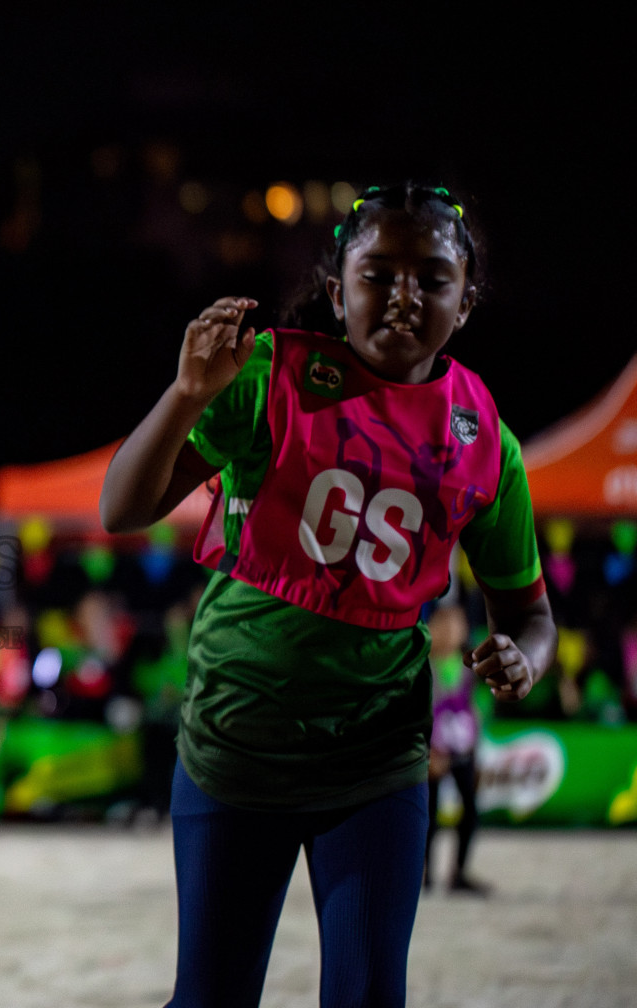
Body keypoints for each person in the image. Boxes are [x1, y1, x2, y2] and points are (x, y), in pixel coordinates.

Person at [99, 183, 556, 1007]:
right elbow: (124, 507)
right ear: (338, 284)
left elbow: (528, 611)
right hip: (236, 751)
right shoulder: (269, 374)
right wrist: (187, 394)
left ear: (469, 295)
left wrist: (528, 655)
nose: (404, 296)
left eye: (433, 276)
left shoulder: (486, 439)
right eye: (379, 272)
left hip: (376, 763)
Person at [422, 601, 487, 894]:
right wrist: (429, 750)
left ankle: (458, 873)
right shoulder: (425, 666)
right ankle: (424, 875)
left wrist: (476, 750)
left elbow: (471, 711)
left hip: (461, 750)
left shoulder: (465, 669)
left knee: (471, 811)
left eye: (457, 625)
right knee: (427, 816)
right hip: (432, 754)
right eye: (445, 625)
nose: (451, 631)